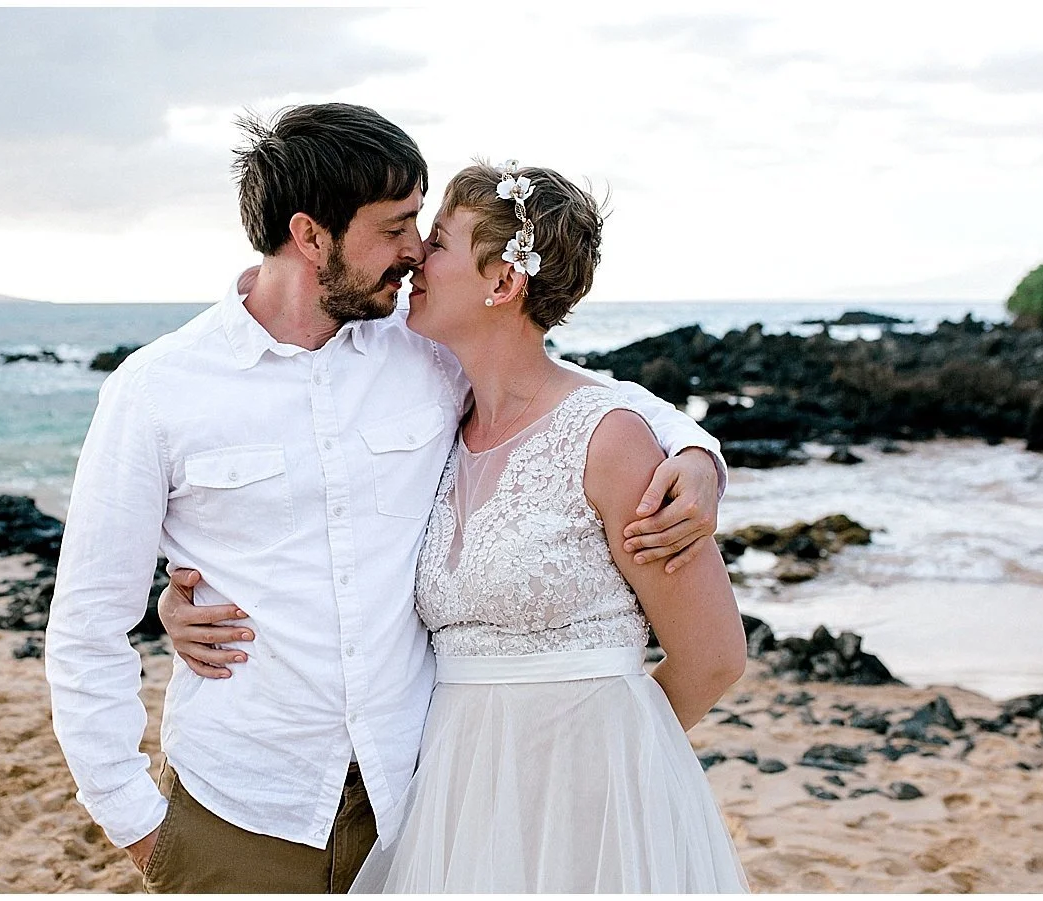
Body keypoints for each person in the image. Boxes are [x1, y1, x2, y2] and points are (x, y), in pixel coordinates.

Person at [45, 103, 727, 894]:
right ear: (310, 235)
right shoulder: (156, 392)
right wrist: (137, 823)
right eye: (398, 226)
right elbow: (87, 624)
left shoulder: (424, 352)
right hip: (241, 808)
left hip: (418, 800)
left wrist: (696, 451)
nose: (413, 252)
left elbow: (563, 396)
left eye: (426, 232)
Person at [345, 160, 750, 892]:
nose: (414, 260)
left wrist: (617, 762)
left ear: (503, 282)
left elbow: (715, 654)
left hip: (596, 803)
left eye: (436, 243)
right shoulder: (434, 422)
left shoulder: (610, 438)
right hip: (458, 800)